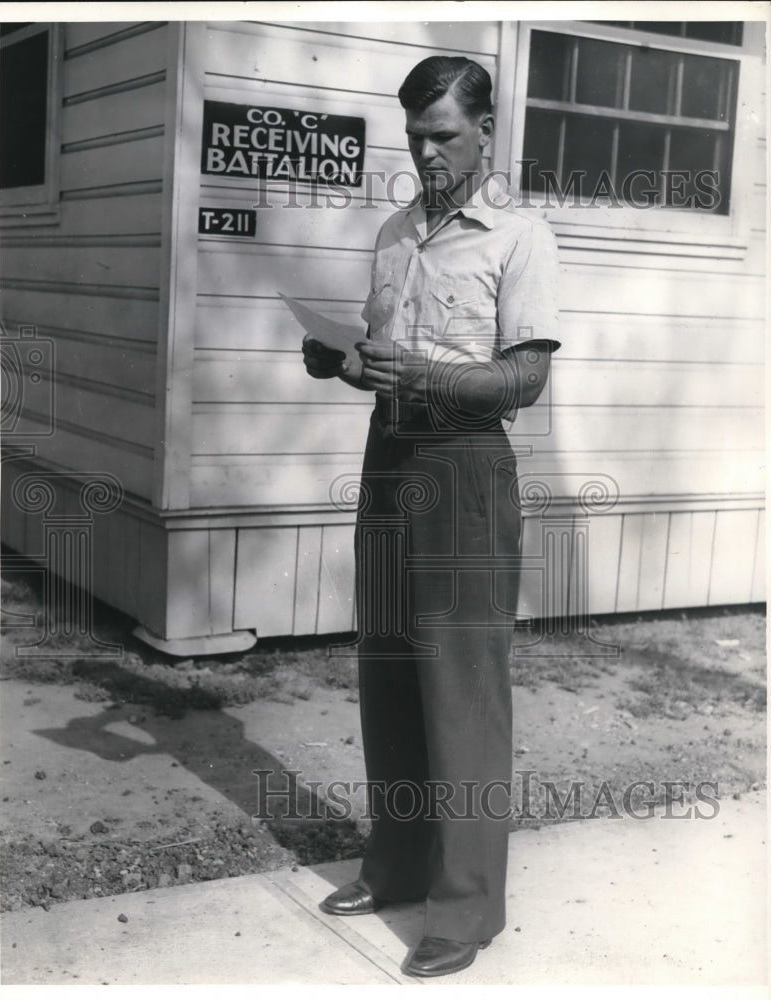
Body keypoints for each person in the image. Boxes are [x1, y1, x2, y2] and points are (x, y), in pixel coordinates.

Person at [302, 55, 560, 978]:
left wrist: (421, 374)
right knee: (388, 667)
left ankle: (466, 905)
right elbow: (381, 350)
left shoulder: (518, 237)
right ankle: (401, 860)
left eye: (444, 135)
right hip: (388, 460)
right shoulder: (394, 230)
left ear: (485, 132)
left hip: (462, 468)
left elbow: (524, 379)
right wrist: (337, 361)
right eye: (414, 136)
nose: (427, 152)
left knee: (460, 685)